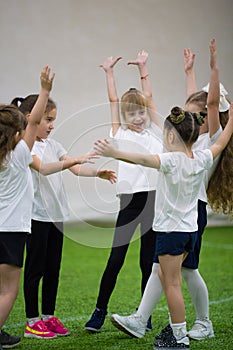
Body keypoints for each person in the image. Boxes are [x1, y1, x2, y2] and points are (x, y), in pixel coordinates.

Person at [93, 41, 233, 349]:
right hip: (185, 216)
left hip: (184, 216)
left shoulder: (188, 149)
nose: (188, 116)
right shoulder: (201, 146)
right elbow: (198, 104)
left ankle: (192, 326)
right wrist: (190, 72)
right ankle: (141, 320)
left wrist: (213, 68)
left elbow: (207, 106)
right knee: (162, 269)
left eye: (194, 114)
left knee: (181, 274)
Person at [10, 94, 116, 339]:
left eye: (53, 120)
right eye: (47, 119)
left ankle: (48, 316)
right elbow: (45, 169)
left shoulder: (54, 145)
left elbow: (75, 168)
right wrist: (75, 160)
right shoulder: (26, 147)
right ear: (31, 118)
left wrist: (96, 172)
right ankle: (32, 321)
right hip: (35, 217)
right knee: (35, 270)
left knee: (53, 269)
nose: (51, 125)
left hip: (56, 218)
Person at [84, 51, 163, 333]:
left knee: (147, 263)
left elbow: (150, 98)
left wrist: (144, 68)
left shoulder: (154, 133)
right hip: (129, 203)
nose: (138, 117)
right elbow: (113, 101)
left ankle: (145, 314)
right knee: (115, 259)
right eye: (132, 114)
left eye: (141, 112)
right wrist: (109, 73)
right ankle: (99, 312)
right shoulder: (119, 133)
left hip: (153, 201)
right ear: (124, 116)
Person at [0, 67, 54, 349]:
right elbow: (33, 124)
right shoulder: (20, 155)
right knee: (8, 289)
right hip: (11, 230)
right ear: (17, 133)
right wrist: (45, 90)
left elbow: (30, 124)